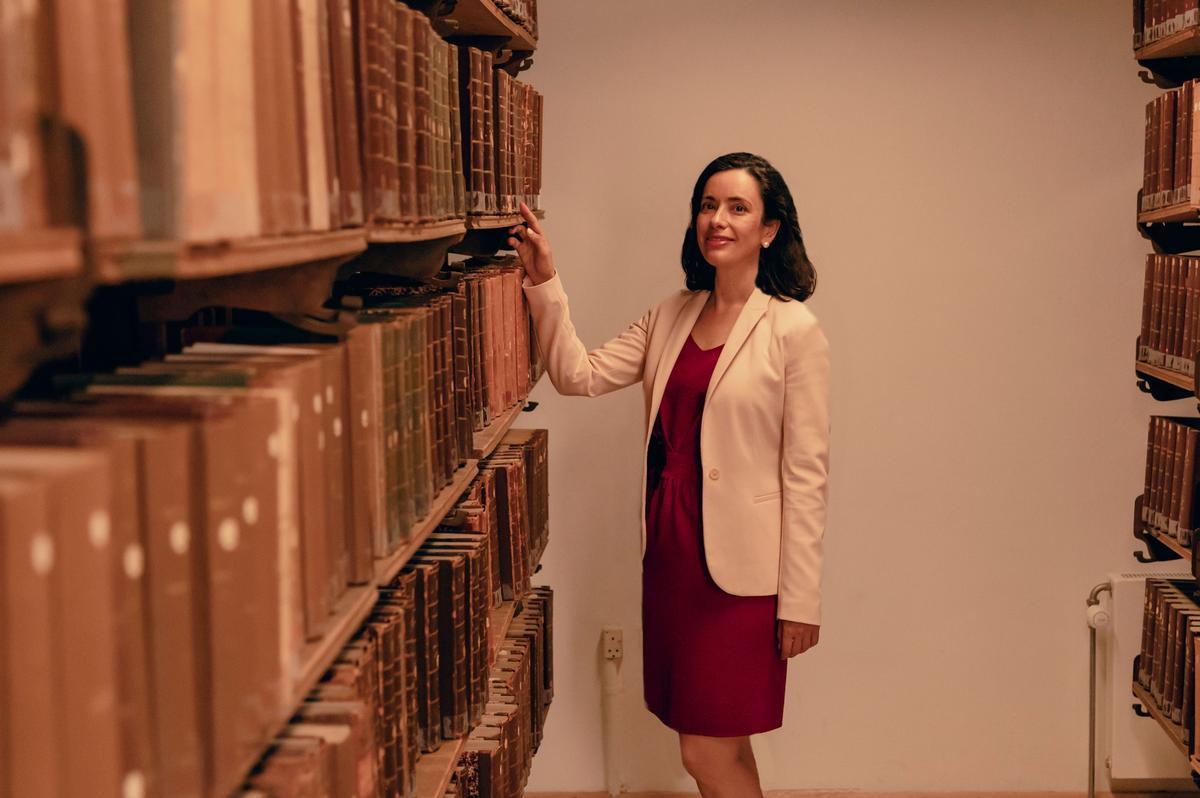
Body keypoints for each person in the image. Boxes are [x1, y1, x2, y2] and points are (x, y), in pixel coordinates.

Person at [508, 151, 830, 797]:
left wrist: (800, 601)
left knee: (705, 749)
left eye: (738, 207)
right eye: (708, 205)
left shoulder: (793, 329)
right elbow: (579, 376)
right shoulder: (672, 315)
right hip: (673, 554)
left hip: (742, 574)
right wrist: (546, 283)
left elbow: (806, 475)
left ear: (769, 230)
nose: (718, 219)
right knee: (720, 743)